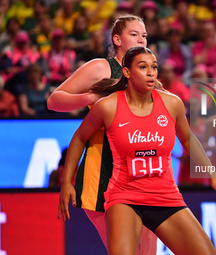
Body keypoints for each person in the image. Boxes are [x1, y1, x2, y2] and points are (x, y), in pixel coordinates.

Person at [59, 46, 216, 255]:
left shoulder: (171, 104)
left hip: (166, 196)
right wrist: (67, 181)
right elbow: (79, 137)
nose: (151, 72)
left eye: (154, 67)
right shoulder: (108, 106)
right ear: (127, 72)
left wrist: (212, 174)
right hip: (125, 198)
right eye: (143, 67)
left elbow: (187, 139)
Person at [47, 14, 157, 255]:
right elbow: (54, 101)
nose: (142, 39)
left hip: (141, 173)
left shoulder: (148, 74)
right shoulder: (102, 67)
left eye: (145, 35)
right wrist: (90, 98)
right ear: (117, 39)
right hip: (103, 173)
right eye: (134, 34)